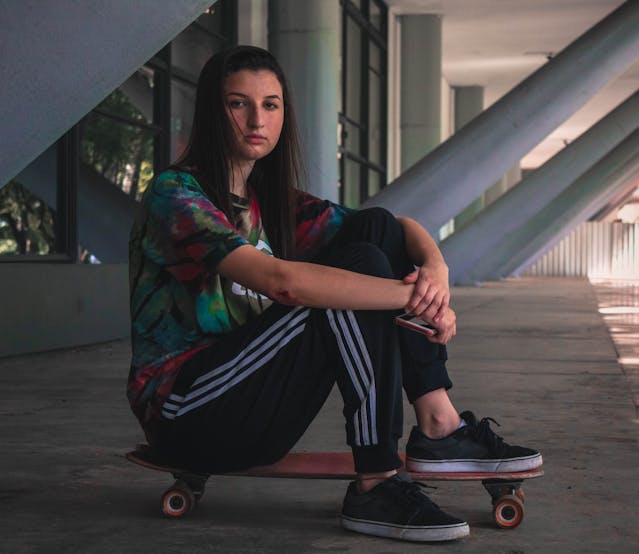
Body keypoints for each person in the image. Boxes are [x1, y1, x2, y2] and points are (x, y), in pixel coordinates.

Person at [127, 45, 542, 543]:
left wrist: (436, 272)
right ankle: (376, 482)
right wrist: (415, 303)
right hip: (189, 412)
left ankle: (438, 423)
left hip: (254, 399)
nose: (257, 118)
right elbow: (283, 283)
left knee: (375, 230)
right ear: (213, 112)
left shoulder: (269, 202)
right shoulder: (176, 195)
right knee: (359, 272)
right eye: (238, 103)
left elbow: (397, 228)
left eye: (271, 104)